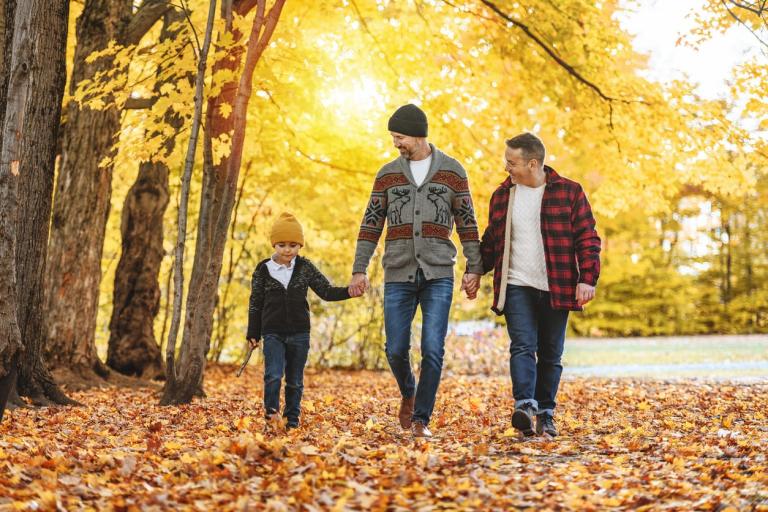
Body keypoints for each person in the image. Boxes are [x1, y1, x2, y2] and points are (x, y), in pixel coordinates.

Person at [349, 104, 483, 438]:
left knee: (433, 350)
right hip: (398, 272)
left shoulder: (452, 171)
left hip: (438, 273)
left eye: (399, 137)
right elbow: (370, 224)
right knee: (395, 349)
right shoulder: (387, 175)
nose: (396, 143)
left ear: (417, 135)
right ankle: (408, 391)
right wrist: (359, 269)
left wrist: (474, 267)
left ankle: (421, 419)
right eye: (393, 137)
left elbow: (467, 223)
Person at [480, 132, 601, 437]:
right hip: (516, 283)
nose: (506, 167)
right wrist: (474, 271)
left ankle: (545, 414)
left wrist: (587, 278)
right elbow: (491, 242)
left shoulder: (569, 192)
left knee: (551, 354)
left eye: (512, 162)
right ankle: (524, 405)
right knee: (522, 345)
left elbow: (587, 238)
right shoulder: (503, 196)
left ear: (532, 164)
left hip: (556, 284)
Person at [247, 212, 355, 430]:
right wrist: (253, 333)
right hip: (273, 332)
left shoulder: (305, 267)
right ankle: (271, 418)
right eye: (282, 245)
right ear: (274, 244)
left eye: (293, 245)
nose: (288, 250)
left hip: (299, 333)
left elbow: (326, 291)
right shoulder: (263, 269)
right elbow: (255, 303)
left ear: (300, 245)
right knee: (273, 376)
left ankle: (292, 421)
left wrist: (349, 291)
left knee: (295, 381)